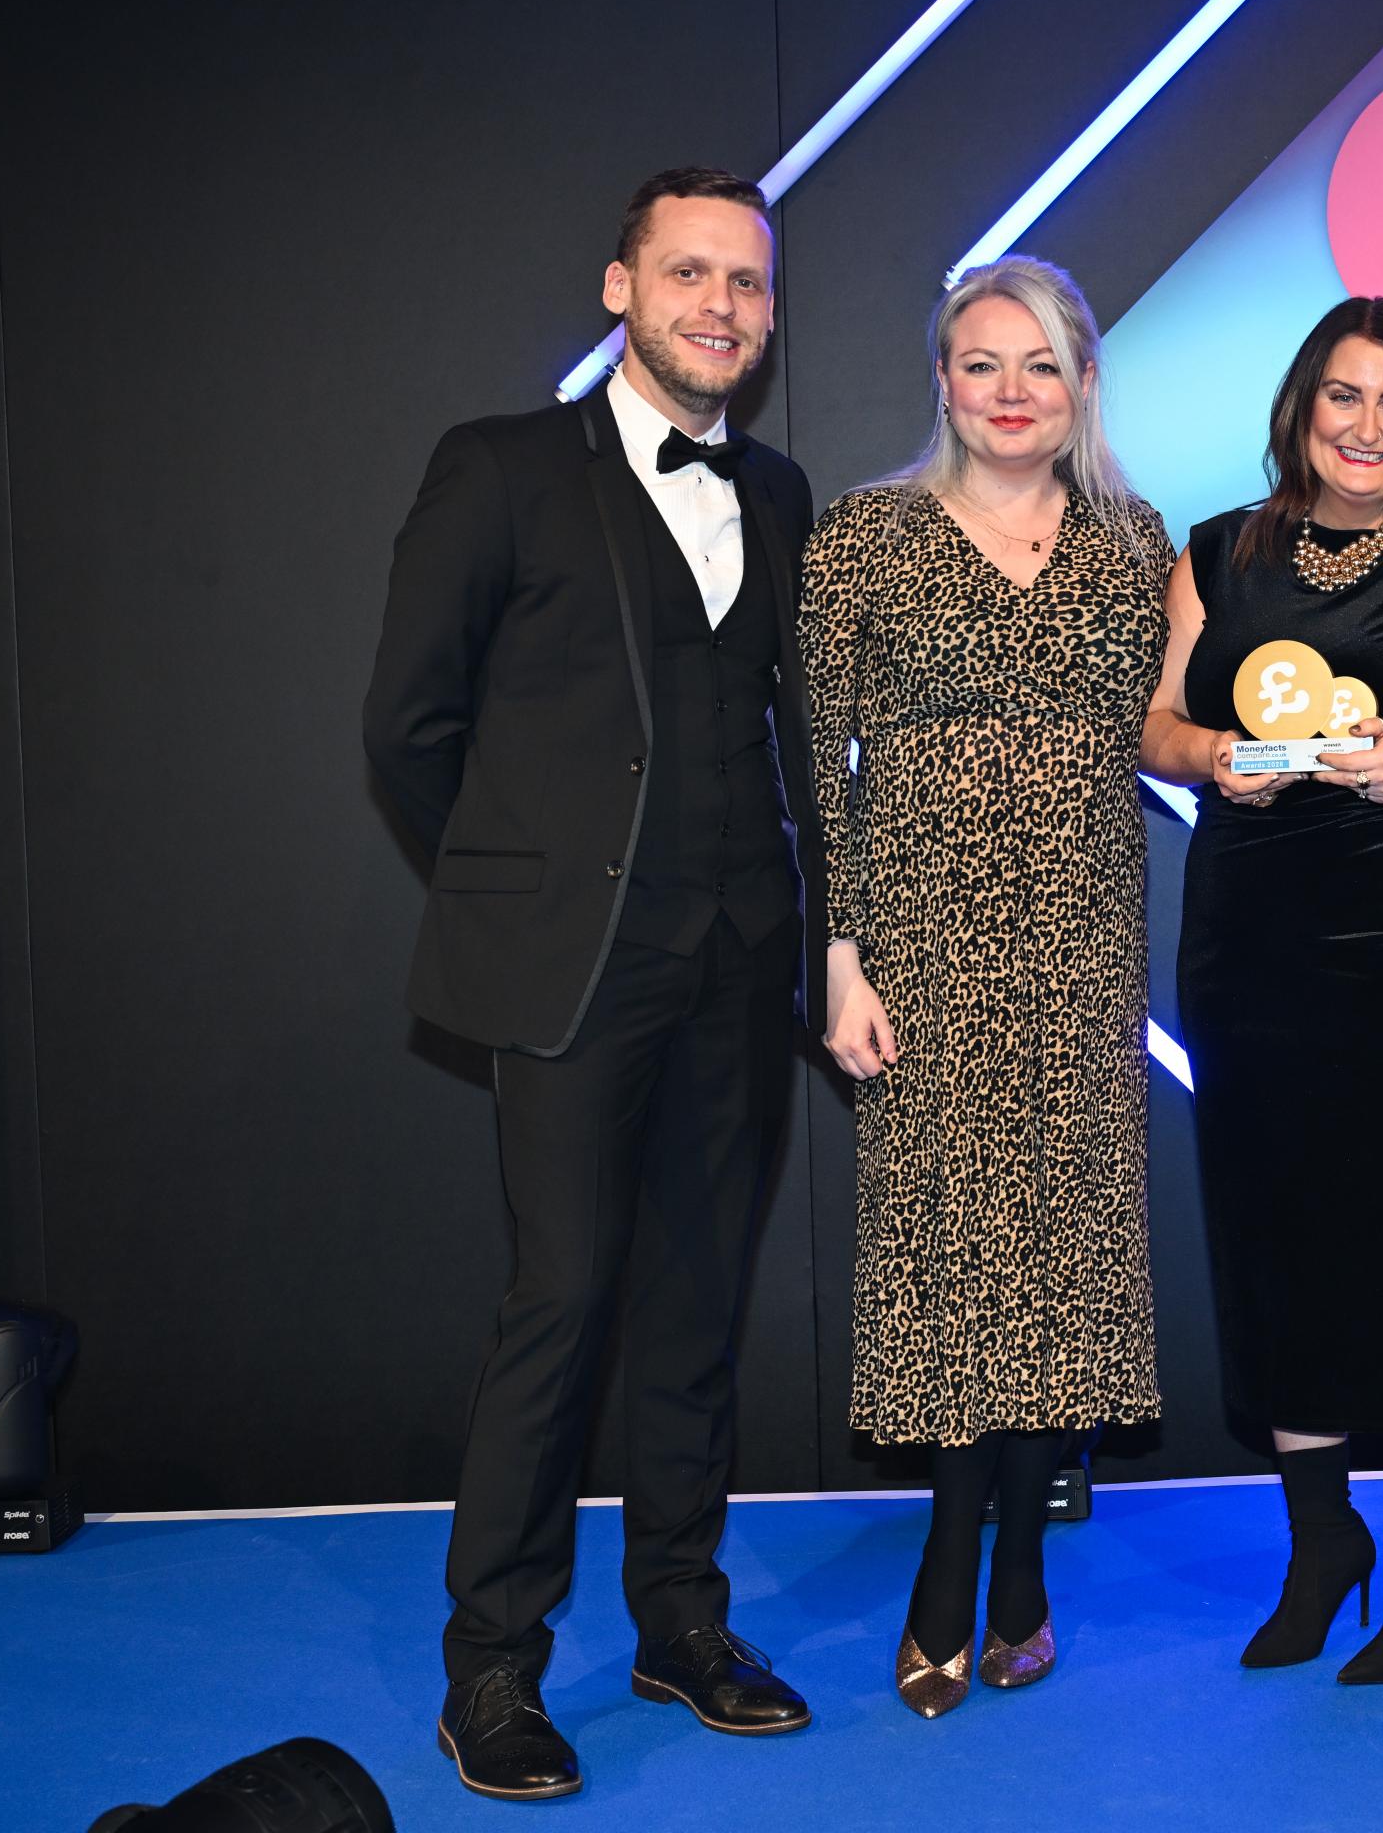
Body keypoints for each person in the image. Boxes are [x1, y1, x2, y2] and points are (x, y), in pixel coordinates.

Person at [363, 167, 820, 1802]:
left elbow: (786, 736)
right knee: (561, 1305)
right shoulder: (498, 468)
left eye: (746, 282)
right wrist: (525, 895)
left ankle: (681, 1624)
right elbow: (407, 730)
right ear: (621, 288)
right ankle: (491, 1668)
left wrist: (812, 931)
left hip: (740, 964)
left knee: (697, 1311)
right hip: (573, 974)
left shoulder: (780, 491)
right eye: (688, 273)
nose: (720, 306)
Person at [1142, 296, 1383, 1684]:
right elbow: (1157, 723)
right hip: (1246, 940)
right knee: (1270, 1234)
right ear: (1303, 407)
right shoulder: (1219, 553)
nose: (1367, 427)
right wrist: (1210, 759)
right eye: (1345, 397)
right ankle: (1323, 1544)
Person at [798, 255, 1172, 1719]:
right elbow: (816, 770)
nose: (1012, 392)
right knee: (955, 1258)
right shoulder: (865, 538)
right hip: (924, 950)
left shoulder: (1135, 546)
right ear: (942, 382)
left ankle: (1021, 1567)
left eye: (1041, 365)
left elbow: (1182, 727)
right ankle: (952, 1561)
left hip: (1080, 944)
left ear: (1082, 384)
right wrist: (839, 955)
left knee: (1061, 1257)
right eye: (982, 363)